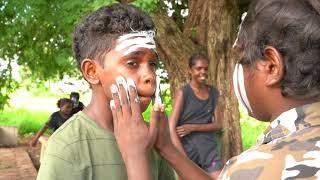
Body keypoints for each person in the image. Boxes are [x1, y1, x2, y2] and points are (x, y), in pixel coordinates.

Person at [109, 0, 320, 179]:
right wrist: (167, 148)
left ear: (272, 66)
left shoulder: (252, 169)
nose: (148, 77)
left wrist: (135, 156)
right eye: (132, 63)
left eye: (241, 58)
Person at [36, 3, 175, 180]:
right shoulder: (66, 147)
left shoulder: (152, 137)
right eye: (132, 63)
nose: (150, 76)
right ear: (92, 72)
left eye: (153, 64)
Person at [169, 52, 223, 179]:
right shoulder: (183, 93)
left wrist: (192, 127)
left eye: (205, 68)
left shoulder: (213, 93)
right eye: (198, 68)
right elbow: (171, 128)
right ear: (190, 70)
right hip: (188, 152)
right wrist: (182, 158)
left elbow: (218, 125)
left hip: (209, 150)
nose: (202, 72)